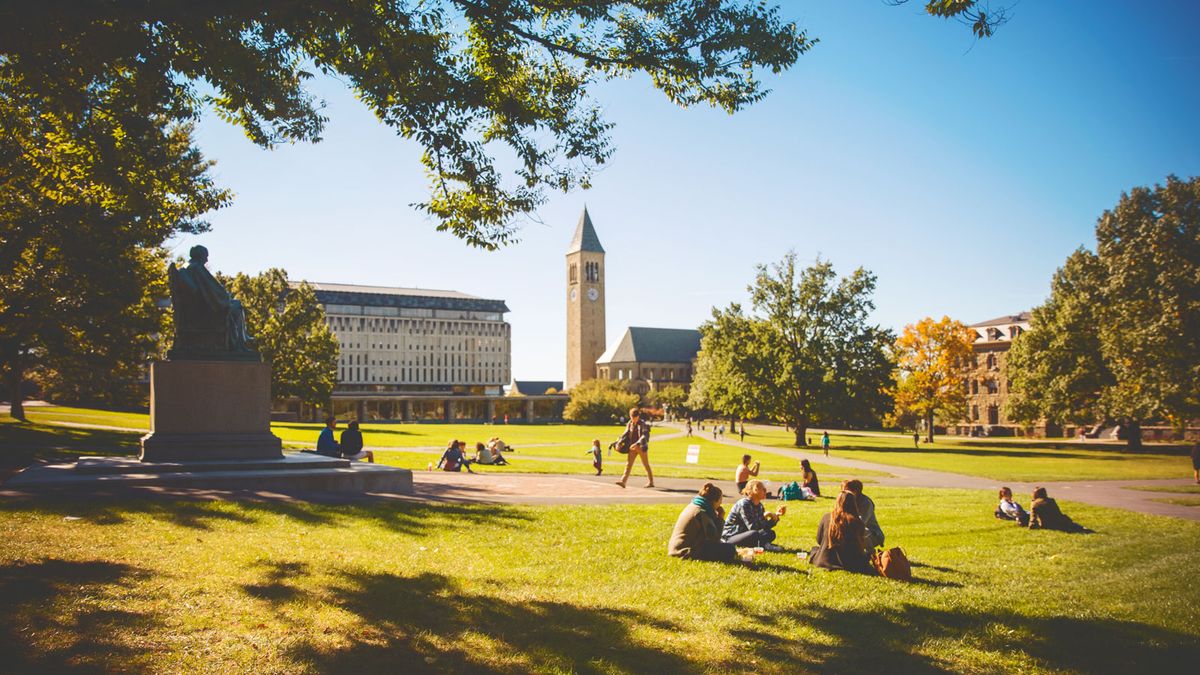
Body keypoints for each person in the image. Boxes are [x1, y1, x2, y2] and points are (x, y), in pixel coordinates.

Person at [808, 491, 874, 574]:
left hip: (826, 559)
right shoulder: (857, 521)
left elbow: (819, 540)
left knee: (815, 549)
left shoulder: (827, 517)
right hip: (851, 562)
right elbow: (859, 546)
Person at [668, 483, 736, 562]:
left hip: (677, 548)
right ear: (714, 501)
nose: (721, 503)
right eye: (720, 500)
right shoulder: (701, 512)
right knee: (730, 549)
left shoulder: (694, 506)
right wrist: (720, 518)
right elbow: (714, 539)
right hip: (684, 552)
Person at [722, 480, 786, 551]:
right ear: (752, 491)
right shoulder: (744, 504)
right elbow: (752, 527)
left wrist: (775, 517)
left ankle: (762, 544)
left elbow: (763, 526)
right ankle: (765, 545)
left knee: (770, 533)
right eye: (762, 489)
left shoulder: (760, 506)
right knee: (754, 534)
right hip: (731, 537)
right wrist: (766, 515)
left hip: (746, 534)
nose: (765, 491)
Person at [615, 408, 654, 488]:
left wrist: (637, 443)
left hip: (641, 447)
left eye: (635, 418)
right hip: (632, 447)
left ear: (638, 416)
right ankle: (623, 481)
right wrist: (618, 442)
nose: (633, 420)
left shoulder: (642, 424)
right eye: (632, 418)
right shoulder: (630, 423)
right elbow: (625, 434)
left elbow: (644, 436)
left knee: (646, 464)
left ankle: (651, 482)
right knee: (628, 464)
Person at [841, 480, 884, 547]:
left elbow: (861, 523)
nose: (844, 494)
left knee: (862, 532)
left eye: (847, 491)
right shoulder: (844, 501)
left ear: (856, 491)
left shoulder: (866, 503)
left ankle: (870, 555)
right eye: (843, 491)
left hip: (873, 533)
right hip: (853, 531)